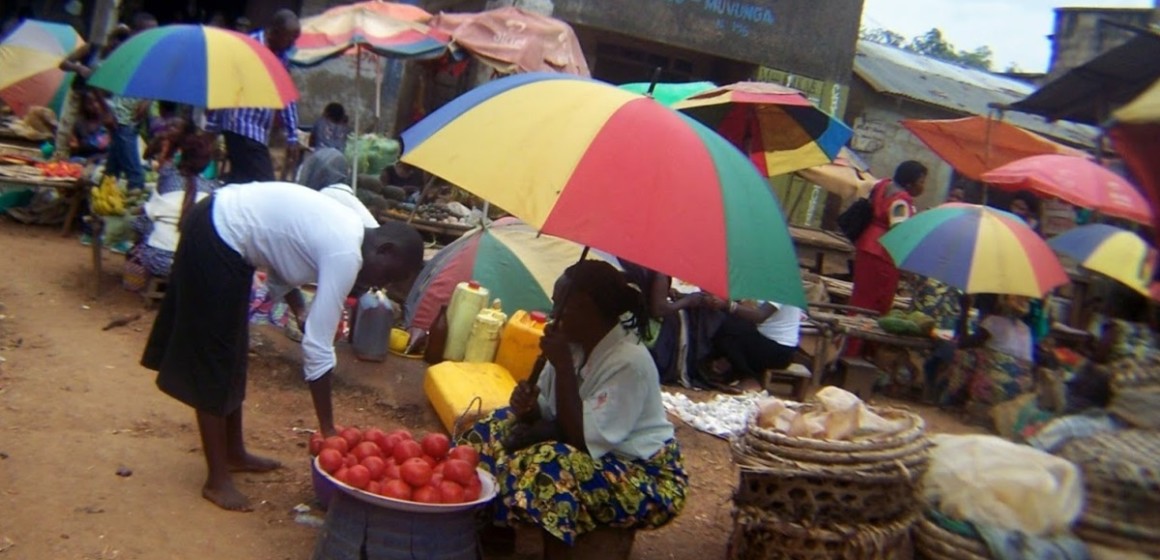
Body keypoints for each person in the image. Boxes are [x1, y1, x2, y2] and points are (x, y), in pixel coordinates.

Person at [141, 182, 424, 511]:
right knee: (213, 356)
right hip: (216, 231)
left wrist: (299, 308)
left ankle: (234, 452)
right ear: (384, 250)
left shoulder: (354, 227)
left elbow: (287, 249)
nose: (382, 285)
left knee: (233, 352)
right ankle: (216, 480)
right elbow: (318, 346)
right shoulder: (347, 253)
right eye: (389, 276)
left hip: (227, 231)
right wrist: (328, 429)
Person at [460, 261, 687, 556]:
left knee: (551, 465)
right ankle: (493, 530)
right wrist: (529, 408)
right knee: (489, 428)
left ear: (588, 309)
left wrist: (564, 367)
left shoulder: (629, 362)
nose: (554, 314)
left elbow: (580, 438)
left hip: (642, 474)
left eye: (562, 306)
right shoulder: (573, 344)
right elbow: (548, 413)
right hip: (586, 448)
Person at [206, 9, 301, 184]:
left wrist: (292, 136)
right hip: (240, 127)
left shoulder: (281, 58)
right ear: (275, 32)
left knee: (242, 184)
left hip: (259, 133)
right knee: (265, 185)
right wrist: (212, 127)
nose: (291, 44)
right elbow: (226, 85)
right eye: (289, 38)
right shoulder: (247, 48)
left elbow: (286, 96)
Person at [847, 161, 926, 356]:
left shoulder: (883, 186)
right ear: (910, 183)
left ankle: (850, 347)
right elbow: (899, 230)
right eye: (921, 181)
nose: (923, 187)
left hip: (867, 245)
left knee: (860, 299)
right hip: (883, 254)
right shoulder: (901, 201)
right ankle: (858, 350)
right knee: (877, 303)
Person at [128, 119, 217, 278]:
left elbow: (144, 220)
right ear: (206, 163)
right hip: (193, 265)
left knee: (145, 225)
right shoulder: (212, 191)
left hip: (157, 260)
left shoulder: (167, 178)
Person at [619, 260, 724, 388]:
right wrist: (688, 301)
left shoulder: (634, 263)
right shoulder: (660, 271)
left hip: (631, 326)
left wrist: (666, 292)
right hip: (655, 339)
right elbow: (659, 310)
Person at [927, 294, 1035, 412]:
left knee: (965, 355)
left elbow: (962, 343)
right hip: (1020, 391)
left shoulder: (993, 322)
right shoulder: (1026, 329)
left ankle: (950, 398)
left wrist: (964, 311)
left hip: (995, 389)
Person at [709, 301, 802, 384]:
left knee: (731, 328)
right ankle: (727, 370)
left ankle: (751, 378)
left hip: (779, 350)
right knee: (730, 325)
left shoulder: (781, 289)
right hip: (765, 342)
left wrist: (729, 305)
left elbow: (759, 316)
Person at [70, 89, 113, 161]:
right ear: (84, 106)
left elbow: (115, 149)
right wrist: (74, 146)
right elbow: (77, 150)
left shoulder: (108, 120)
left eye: (96, 101)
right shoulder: (79, 123)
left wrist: (96, 158)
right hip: (84, 160)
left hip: (105, 160)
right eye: (90, 103)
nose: (95, 106)